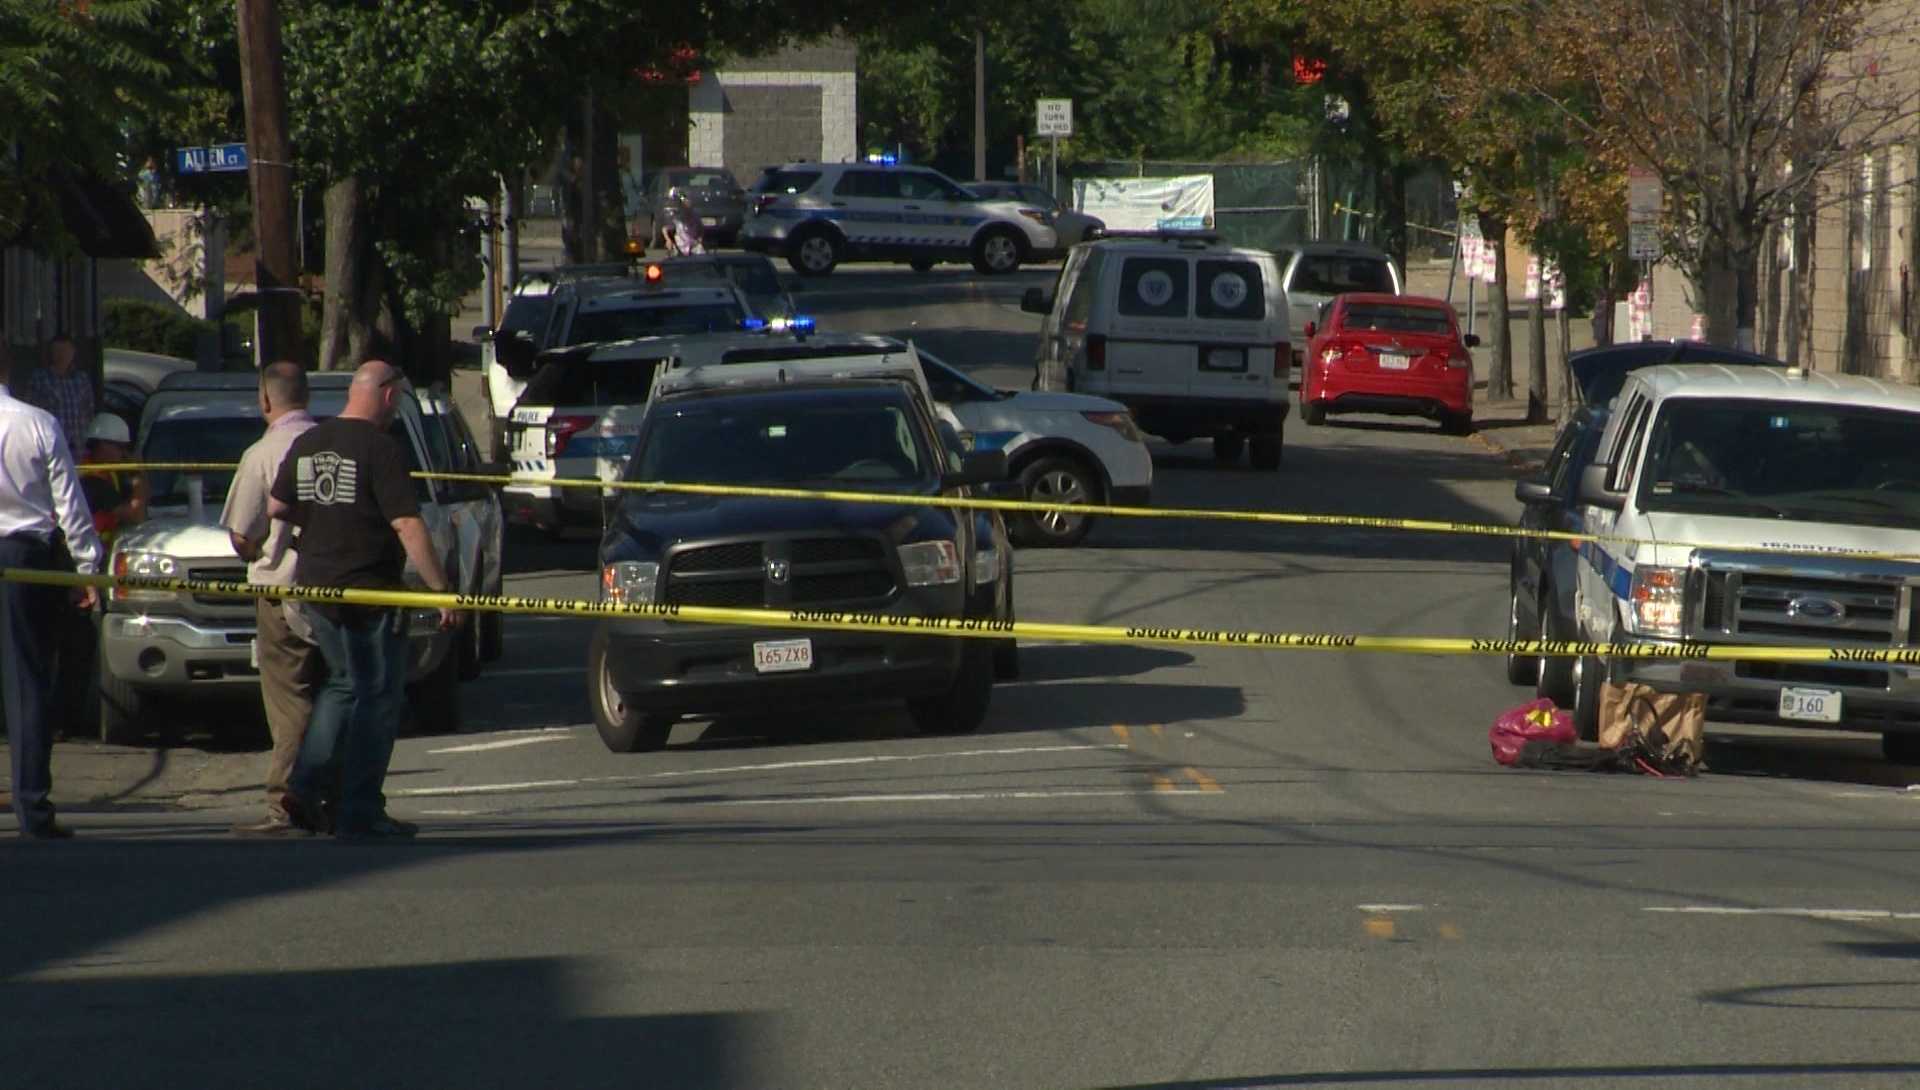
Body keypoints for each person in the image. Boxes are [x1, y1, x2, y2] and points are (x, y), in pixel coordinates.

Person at [269, 360, 459, 840]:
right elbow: (407, 524)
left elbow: (278, 506)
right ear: (390, 396)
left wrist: (317, 525)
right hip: (367, 589)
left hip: (315, 584)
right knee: (377, 696)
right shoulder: (381, 449)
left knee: (342, 684)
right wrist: (441, 591)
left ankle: (306, 787)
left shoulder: (308, 442)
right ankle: (360, 809)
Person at [0, 337, 104, 838]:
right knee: (26, 681)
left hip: (23, 550)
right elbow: (70, 503)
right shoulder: (36, 422)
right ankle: (32, 807)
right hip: (23, 554)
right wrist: (87, 566)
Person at [221, 362, 322, 837]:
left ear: (265, 400)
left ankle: (286, 800)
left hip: (280, 590)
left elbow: (242, 533)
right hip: (337, 587)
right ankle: (331, 793)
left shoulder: (261, 455)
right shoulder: (330, 447)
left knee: (288, 702)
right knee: (334, 693)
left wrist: (258, 546)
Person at [77, 413, 147, 544]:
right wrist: (137, 475)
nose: (124, 454)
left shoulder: (107, 473)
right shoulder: (92, 480)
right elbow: (136, 516)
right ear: (102, 445)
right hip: (87, 551)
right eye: (120, 447)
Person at [25, 335, 93, 458]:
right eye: (57, 351)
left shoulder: (82, 379)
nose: (61, 355)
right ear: (51, 353)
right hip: (52, 443)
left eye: (65, 351)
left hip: (78, 446)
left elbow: (88, 410)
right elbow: (31, 410)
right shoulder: (40, 378)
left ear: (73, 352)